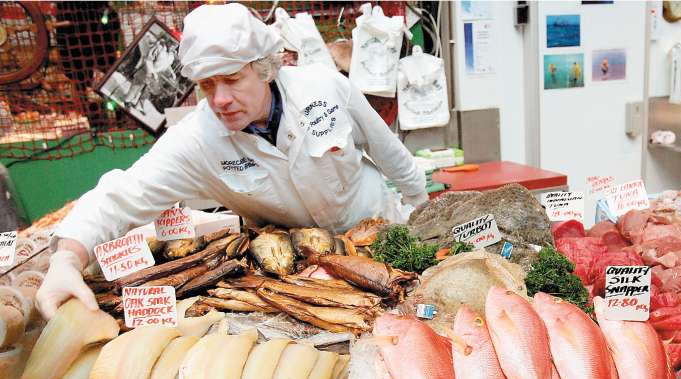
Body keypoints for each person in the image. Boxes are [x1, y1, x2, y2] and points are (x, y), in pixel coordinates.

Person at [35, 3, 427, 320]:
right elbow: (121, 195)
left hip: (382, 243)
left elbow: (390, 154)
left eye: (232, 79)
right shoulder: (198, 141)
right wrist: (68, 258)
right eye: (207, 85)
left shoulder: (324, 87)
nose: (219, 99)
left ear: (264, 69)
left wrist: (423, 216)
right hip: (303, 277)